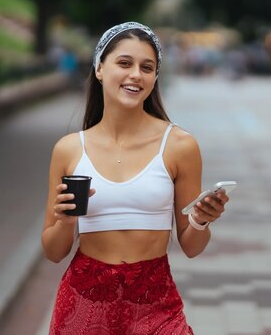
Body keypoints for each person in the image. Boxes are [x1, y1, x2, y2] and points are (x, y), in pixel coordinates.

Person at [42, 21, 229, 334]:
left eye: (147, 67)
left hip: (156, 304)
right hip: (84, 303)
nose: (135, 75)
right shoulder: (70, 149)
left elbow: (192, 247)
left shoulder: (180, 145)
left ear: (155, 78)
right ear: (100, 69)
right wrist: (66, 221)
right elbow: (53, 251)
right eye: (124, 63)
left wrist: (200, 220)